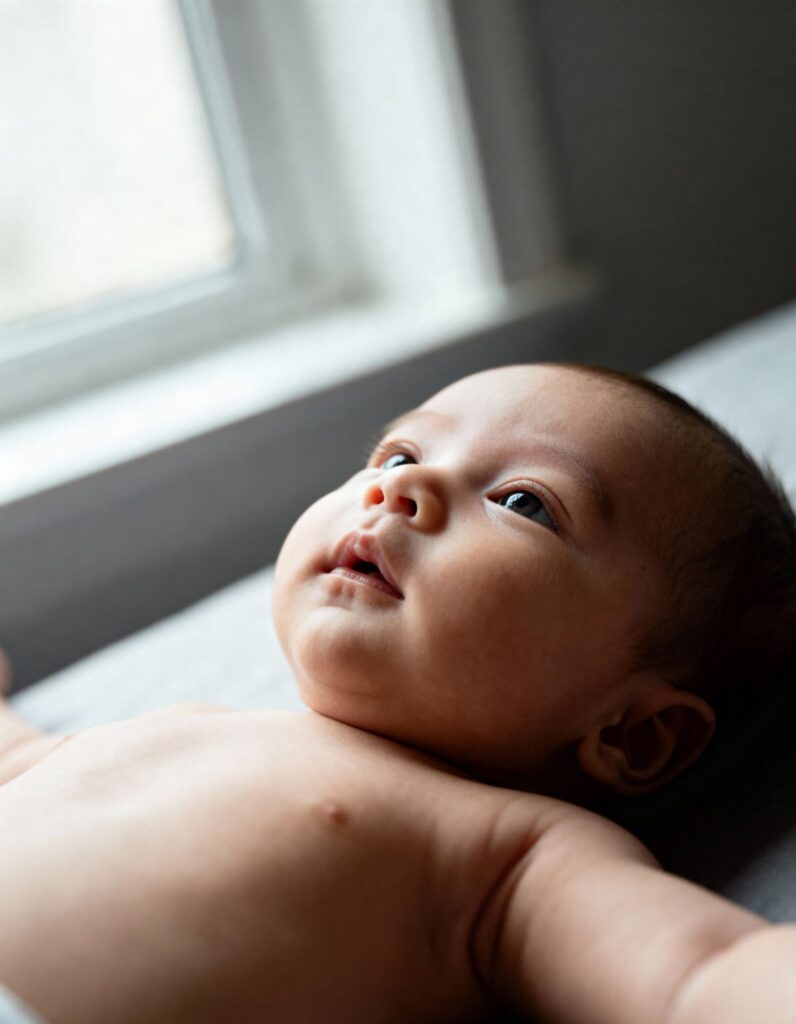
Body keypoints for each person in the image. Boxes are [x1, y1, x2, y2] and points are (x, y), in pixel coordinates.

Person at [0, 363, 793, 1024]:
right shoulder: (198, 723)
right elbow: (25, 762)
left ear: (632, 736)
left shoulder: (512, 854)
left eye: (523, 502)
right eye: (396, 454)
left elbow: (700, 974)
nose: (402, 487)